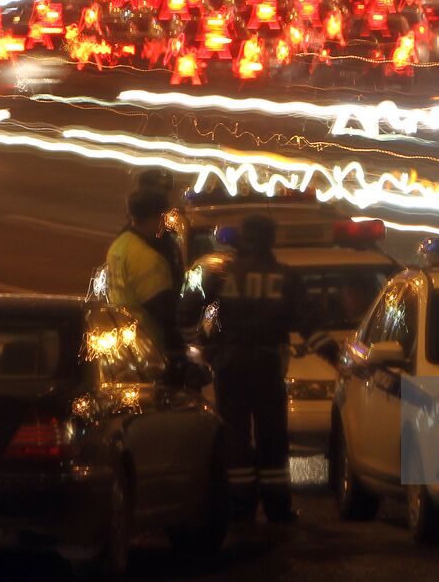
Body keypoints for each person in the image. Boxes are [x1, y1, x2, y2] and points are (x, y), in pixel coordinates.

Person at [179, 214, 337, 523]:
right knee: (272, 435)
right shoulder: (287, 278)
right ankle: (276, 507)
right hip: (267, 365)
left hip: (229, 365)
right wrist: (332, 354)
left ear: (242, 239)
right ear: (271, 240)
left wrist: (202, 347)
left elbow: (185, 311)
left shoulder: (219, 275)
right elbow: (308, 324)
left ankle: (241, 506)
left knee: (235, 436)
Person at [104, 187, 183, 363]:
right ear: (156, 217)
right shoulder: (147, 258)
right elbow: (163, 310)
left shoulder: (119, 246)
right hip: (148, 349)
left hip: (122, 343)